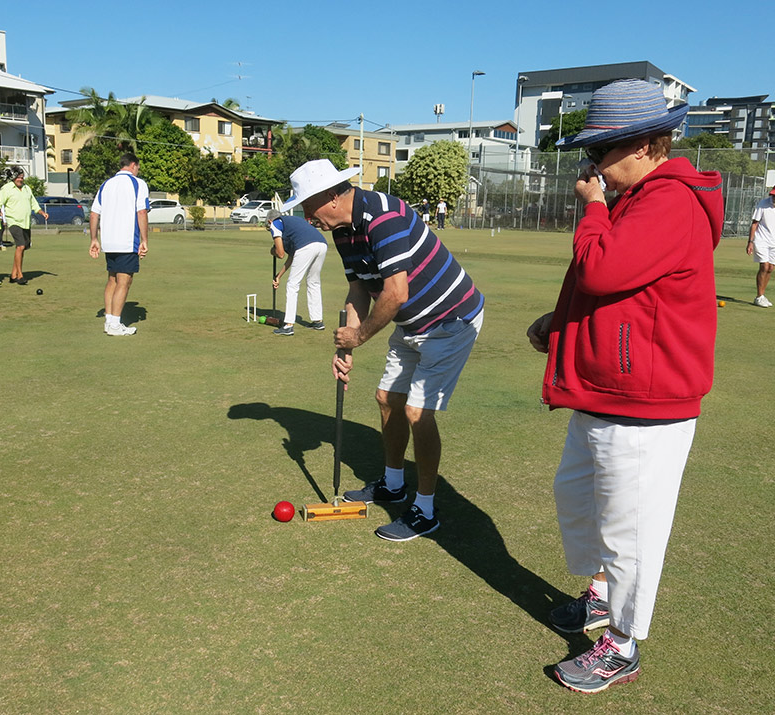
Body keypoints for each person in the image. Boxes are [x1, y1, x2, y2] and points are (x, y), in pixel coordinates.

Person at [526, 79, 723, 694]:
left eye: (603, 152)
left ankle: (622, 644)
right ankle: (602, 597)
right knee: (578, 503)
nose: (593, 166)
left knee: (631, 528)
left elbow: (603, 267)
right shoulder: (638, 197)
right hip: (605, 390)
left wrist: (591, 207)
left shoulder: (669, 199)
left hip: (648, 398)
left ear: (648, 145)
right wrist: (558, 326)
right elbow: (619, 285)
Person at [283, 159, 485, 542]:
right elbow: (359, 289)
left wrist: (359, 339)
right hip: (412, 322)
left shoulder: (383, 217)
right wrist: (347, 343)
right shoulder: (342, 231)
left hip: (450, 319)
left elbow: (396, 293)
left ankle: (425, 511)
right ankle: (393, 485)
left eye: (307, 207)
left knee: (415, 411)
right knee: (386, 398)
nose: (308, 218)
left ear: (329, 197)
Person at [88, 152, 149, 336]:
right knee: (125, 281)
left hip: (109, 241)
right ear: (133, 165)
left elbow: (93, 214)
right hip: (127, 241)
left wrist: (94, 239)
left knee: (112, 279)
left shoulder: (106, 184)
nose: (138, 170)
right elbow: (142, 213)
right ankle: (115, 324)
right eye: (137, 167)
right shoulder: (138, 184)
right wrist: (145, 240)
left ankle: (110, 321)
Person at [266, 209, 327, 336]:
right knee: (313, 282)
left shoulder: (275, 223)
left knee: (293, 285)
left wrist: (273, 251)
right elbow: (292, 257)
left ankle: (288, 325)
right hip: (321, 244)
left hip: (306, 246)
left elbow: (281, 254)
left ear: (269, 221)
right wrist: (279, 276)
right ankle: (318, 321)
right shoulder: (292, 224)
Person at [0, 169, 46, 285]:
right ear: (13, 177)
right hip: (14, 222)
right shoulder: (6, 188)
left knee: (22, 248)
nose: (20, 179)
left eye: (22, 177)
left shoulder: (27, 189)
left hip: (25, 222)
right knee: (21, 246)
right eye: (18, 177)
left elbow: (34, 203)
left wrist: (42, 212)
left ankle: (13, 275)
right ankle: (20, 276)